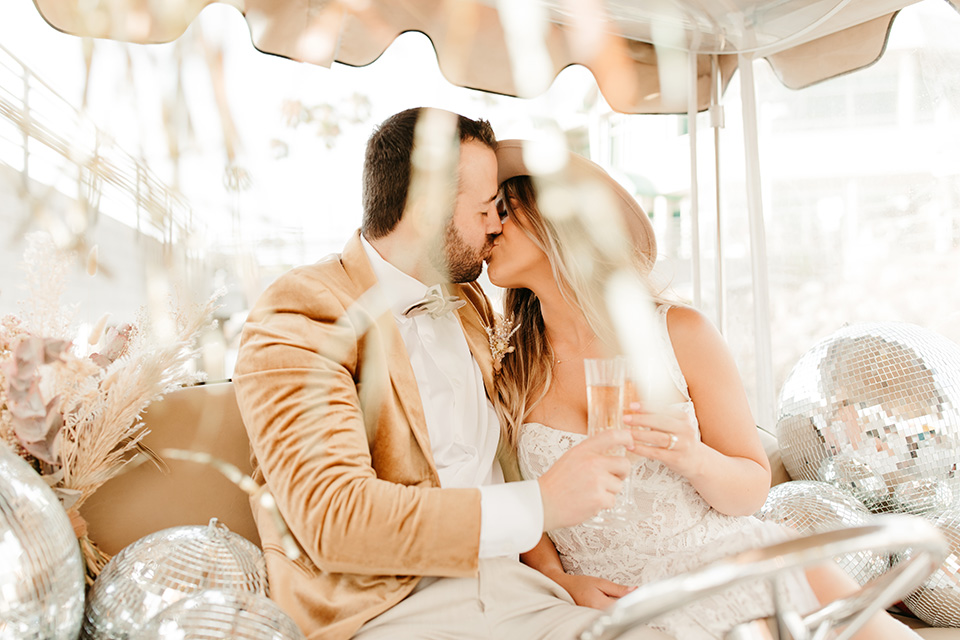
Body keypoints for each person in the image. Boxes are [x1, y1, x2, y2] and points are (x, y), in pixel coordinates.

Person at [232, 108, 671, 640]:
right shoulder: (301, 312)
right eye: (488, 206)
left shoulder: (469, 305)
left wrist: (558, 577)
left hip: (521, 595)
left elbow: (501, 458)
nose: (497, 225)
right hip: (391, 610)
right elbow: (335, 519)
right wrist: (543, 503)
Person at [486, 139, 924, 640]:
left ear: (556, 223)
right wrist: (558, 579)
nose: (489, 227)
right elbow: (518, 495)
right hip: (621, 596)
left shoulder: (680, 333)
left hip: (732, 560)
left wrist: (691, 456)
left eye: (504, 210)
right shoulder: (508, 367)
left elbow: (751, 487)